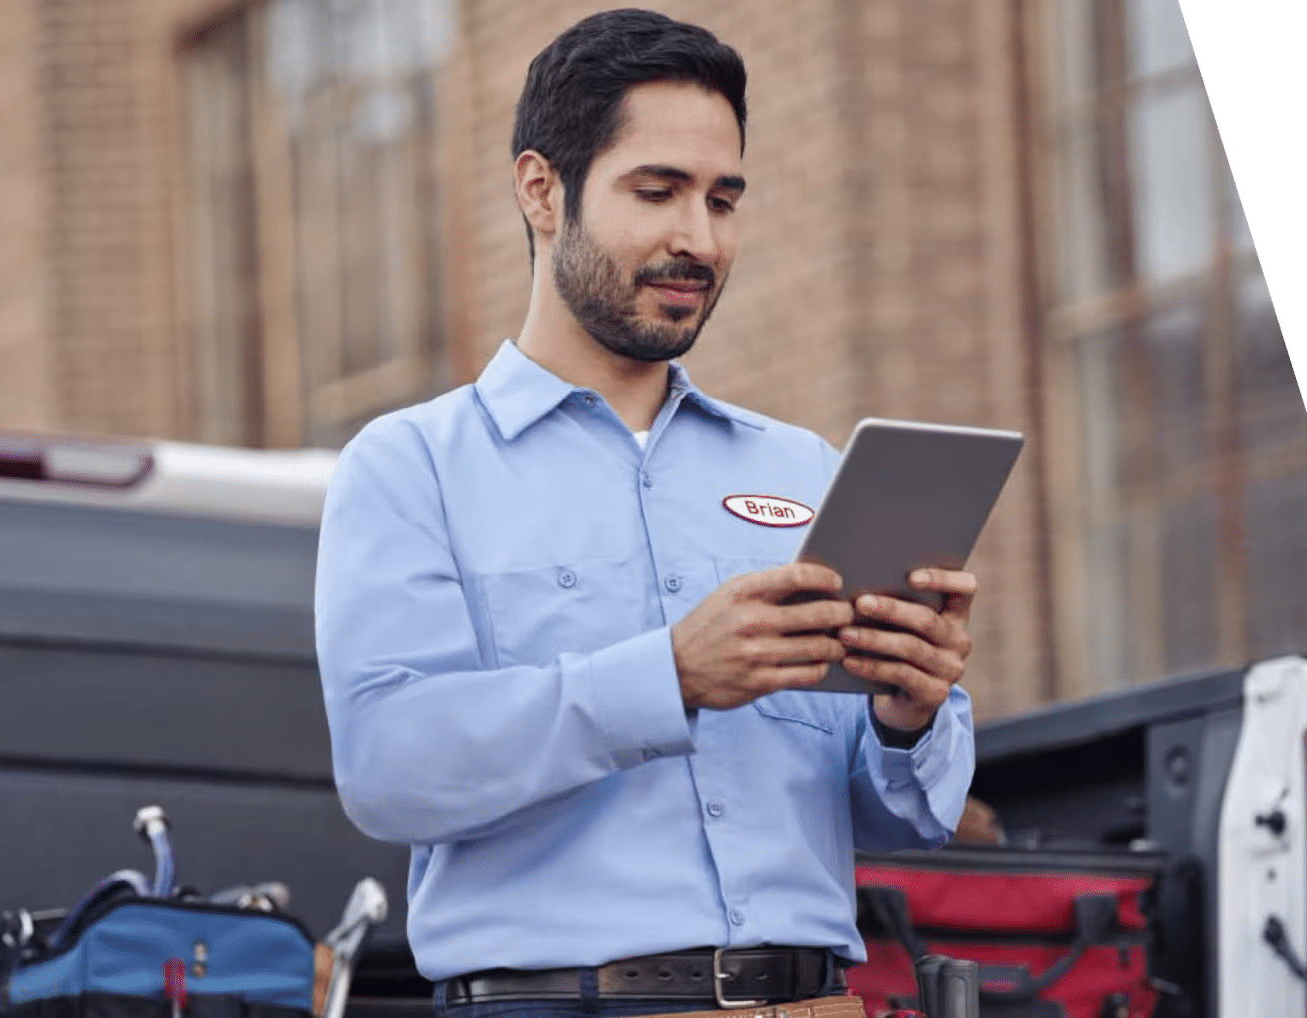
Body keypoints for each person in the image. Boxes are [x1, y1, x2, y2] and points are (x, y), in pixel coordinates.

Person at [315, 10, 978, 1018]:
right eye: (656, 191)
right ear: (542, 190)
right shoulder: (411, 468)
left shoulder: (805, 469)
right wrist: (664, 676)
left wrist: (907, 715)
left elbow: (902, 822)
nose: (697, 239)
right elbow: (389, 768)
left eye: (722, 199)